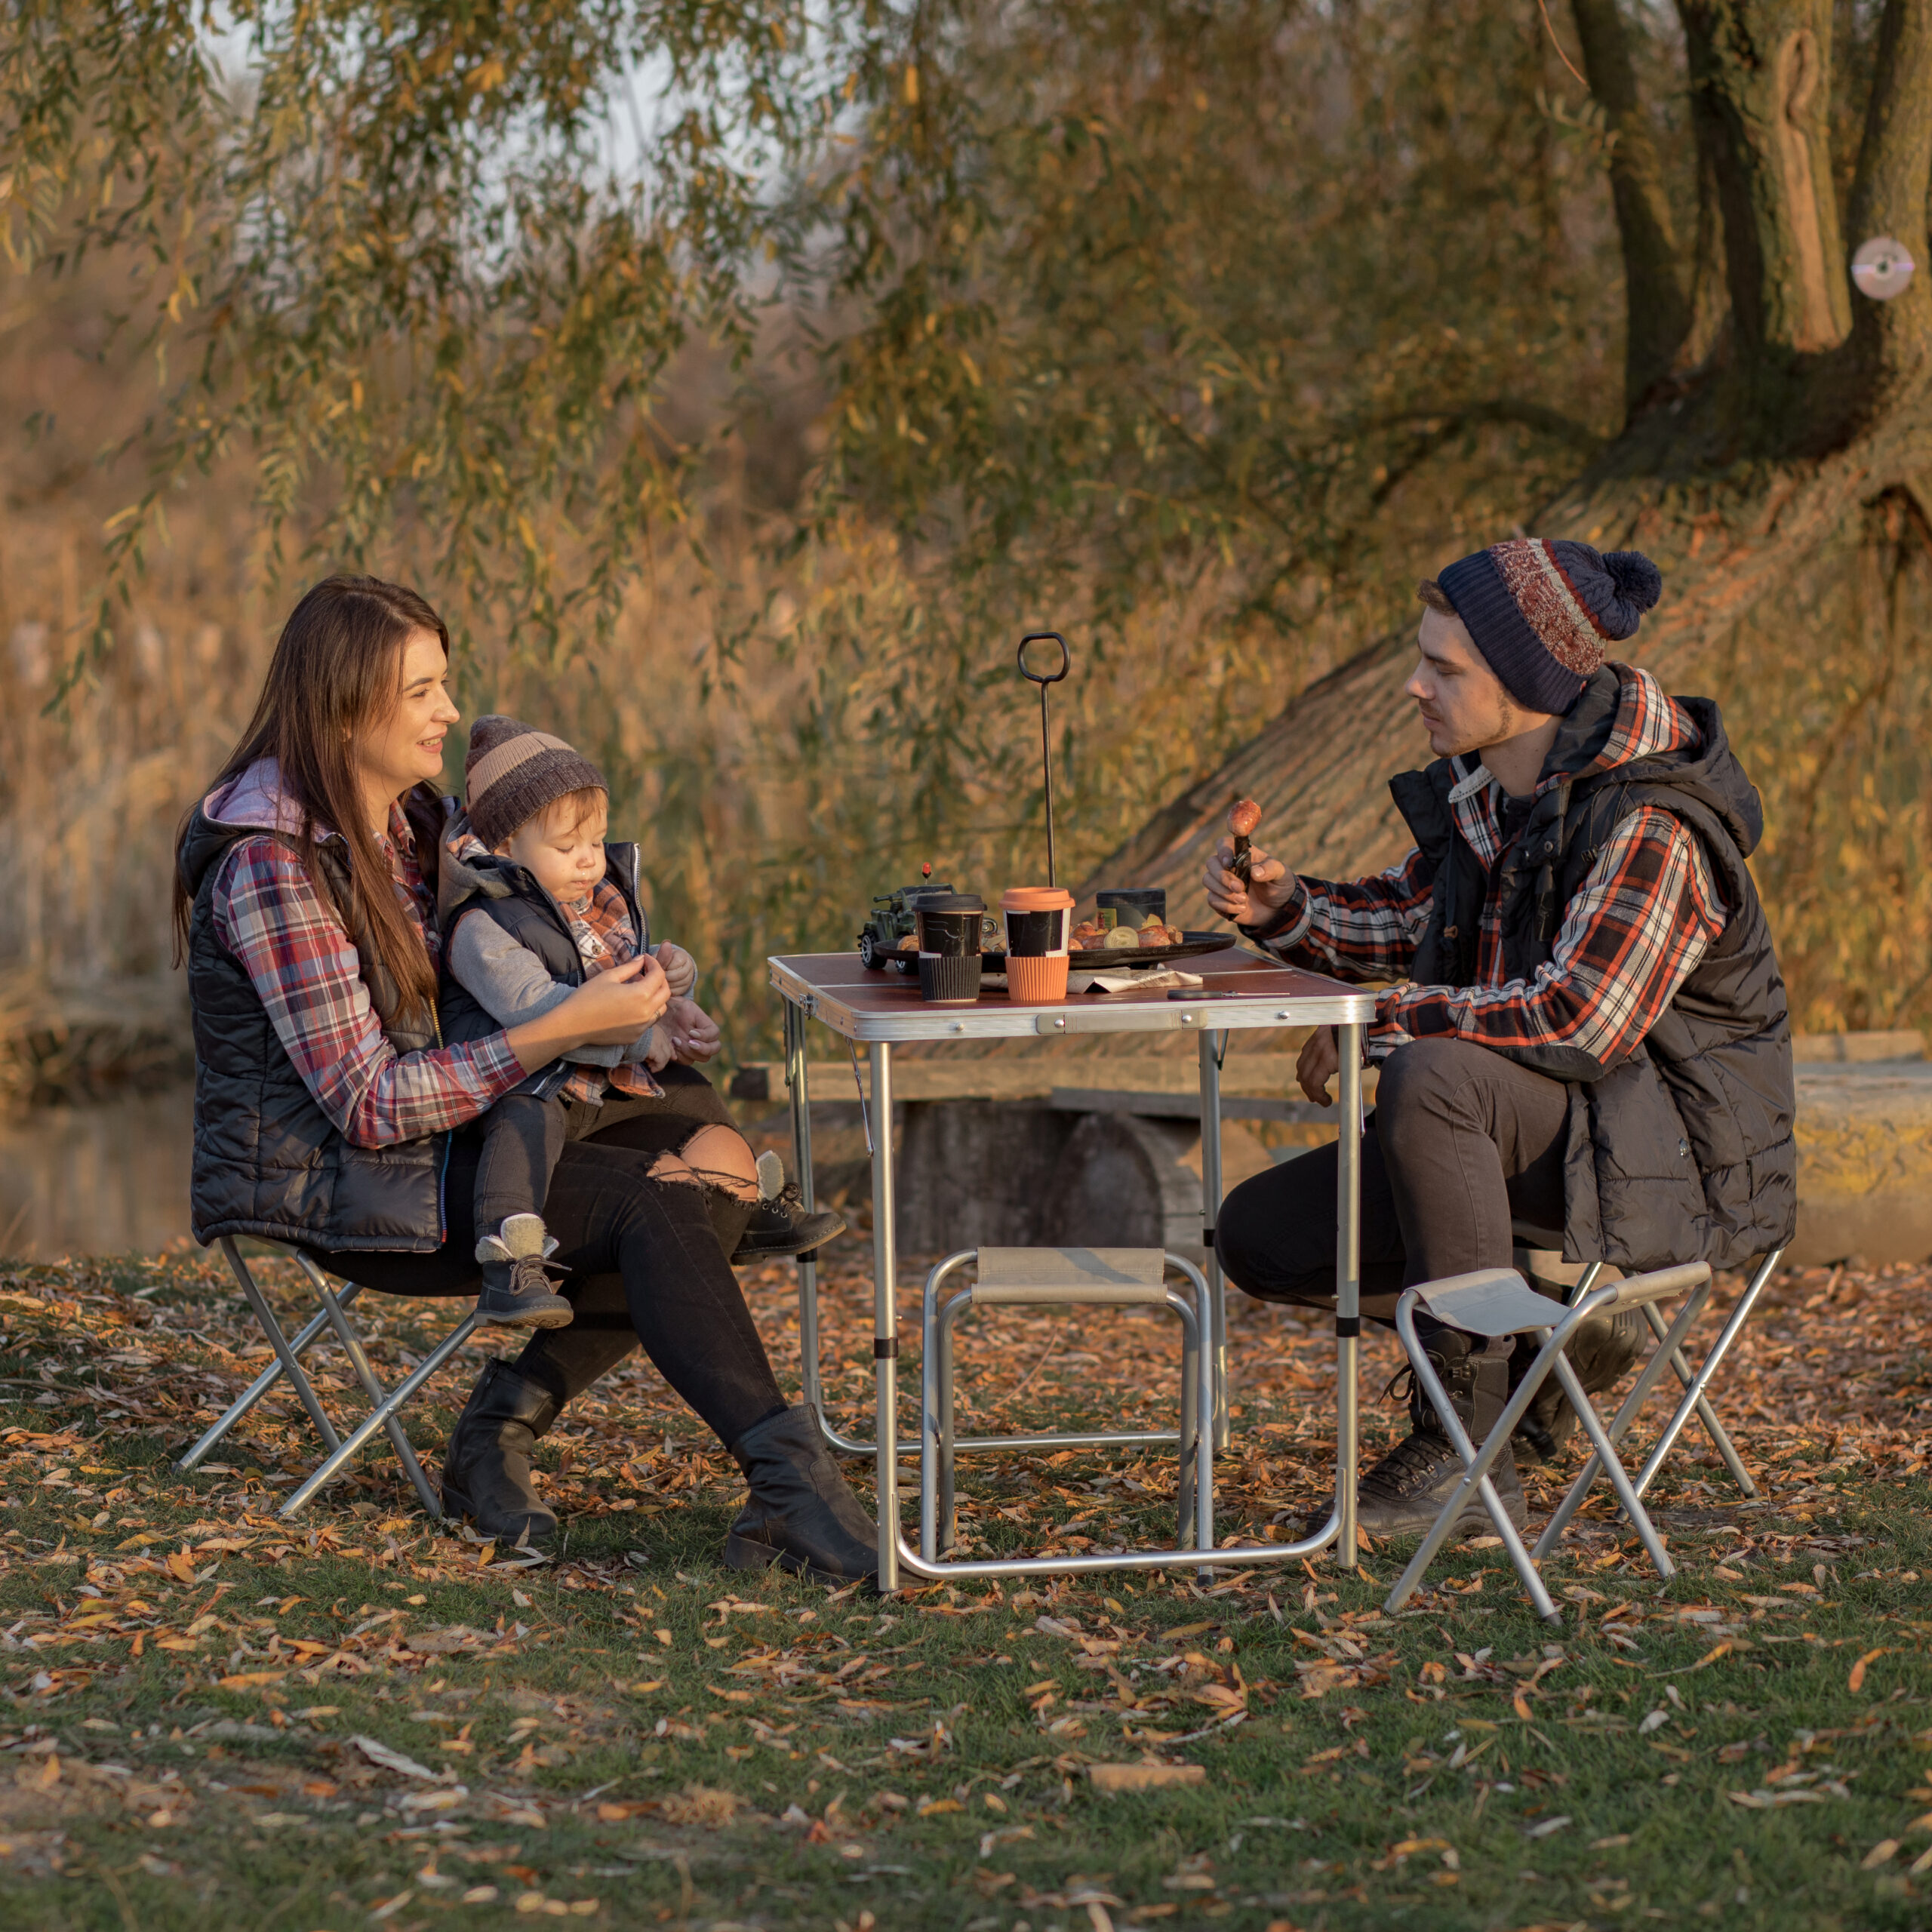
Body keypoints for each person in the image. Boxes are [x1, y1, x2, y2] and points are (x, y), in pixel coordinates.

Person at [175, 574, 876, 1576]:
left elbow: (536, 938)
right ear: (342, 704)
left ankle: (498, 1431)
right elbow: (368, 1106)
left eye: (444, 684)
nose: (448, 711)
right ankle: (789, 1488)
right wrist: (561, 1031)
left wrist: (636, 997)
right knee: (652, 1208)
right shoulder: (272, 869)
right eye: (421, 691)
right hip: (342, 1179)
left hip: (464, 1135)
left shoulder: (424, 827)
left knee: (713, 1161)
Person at [1202, 539, 1795, 1536]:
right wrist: (1286, 908)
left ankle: (1467, 1449)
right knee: (1264, 1237)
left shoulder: (1654, 823)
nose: (1414, 685)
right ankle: (1540, 1362)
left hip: (1674, 1162)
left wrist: (1387, 1024)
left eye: (1444, 669)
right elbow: (1410, 920)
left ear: (1529, 686)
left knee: (1432, 1076)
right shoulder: (1497, 793)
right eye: (1422, 660)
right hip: (1561, 1140)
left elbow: (1580, 1018)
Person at [437, 712, 843, 1327]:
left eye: (596, 843)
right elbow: (543, 1013)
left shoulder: (593, 903)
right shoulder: (482, 924)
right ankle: (511, 1258)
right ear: (503, 849)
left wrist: (672, 984)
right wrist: (642, 1040)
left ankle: (750, 1204)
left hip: (599, 1077)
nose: (587, 862)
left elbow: (620, 972)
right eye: (567, 847)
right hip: (527, 1076)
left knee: (685, 1091)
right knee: (523, 1124)